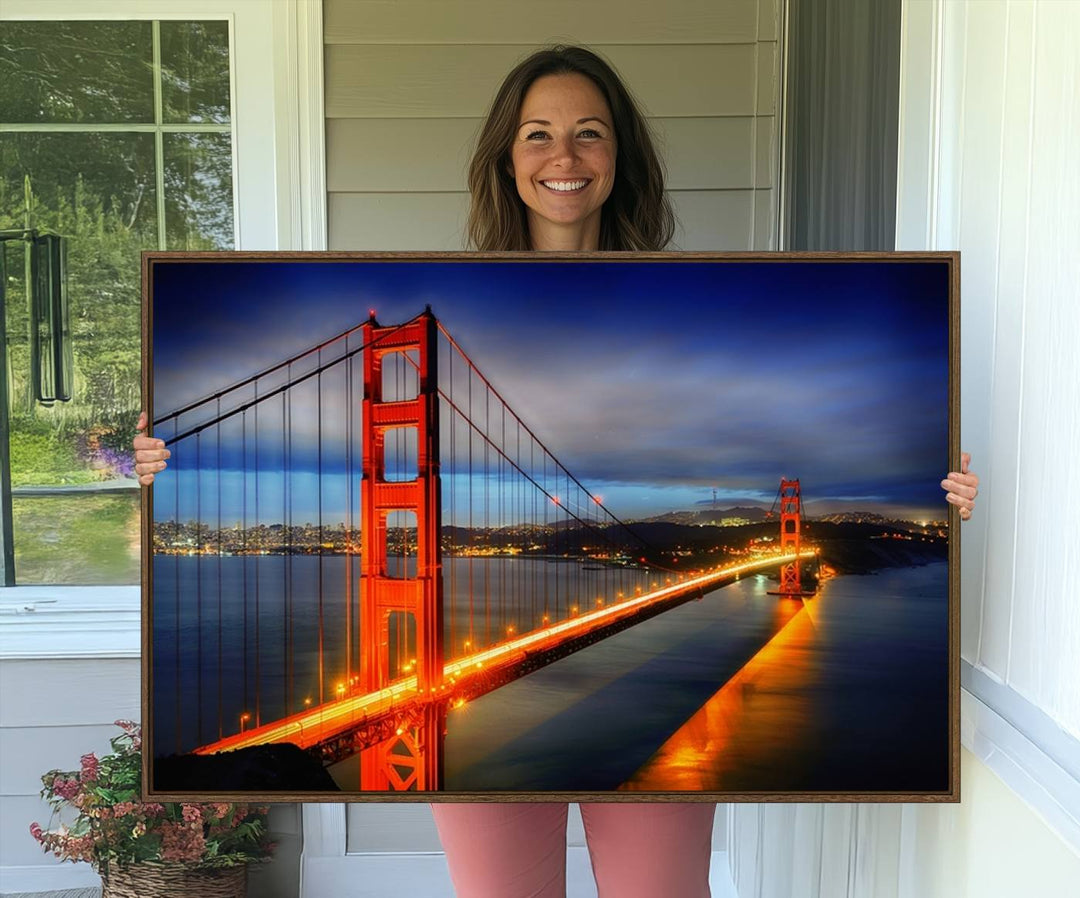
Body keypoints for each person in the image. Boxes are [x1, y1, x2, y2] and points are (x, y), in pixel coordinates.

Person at [135, 45, 980, 898]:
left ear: (621, 158)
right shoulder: (454, 285)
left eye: (589, 134)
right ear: (507, 157)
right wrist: (153, 462)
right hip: (435, 718)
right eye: (538, 134)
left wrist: (944, 503)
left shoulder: (682, 296)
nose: (564, 157)